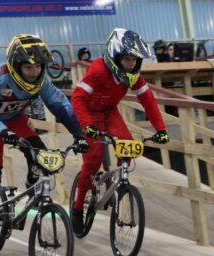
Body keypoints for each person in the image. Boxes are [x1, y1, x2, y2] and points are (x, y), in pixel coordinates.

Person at [0, 34, 88, 256]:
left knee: (40, 155)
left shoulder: (41, 81)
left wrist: (78, 134)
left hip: (17, 120)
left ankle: (31, 188)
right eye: (28, 67)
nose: (35, 72)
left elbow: (60, 105)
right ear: (15, 65)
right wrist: (2, 131)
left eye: (38, 67)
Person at [70, 28, 169, 235]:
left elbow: (148, 101)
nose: (131, 64)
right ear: (115, 57)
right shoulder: (99, 70)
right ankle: (78, 207)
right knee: (93, 160)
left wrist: (161, 129)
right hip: (90, 114)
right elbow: (77, 98)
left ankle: (119, 182)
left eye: (135, 60)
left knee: (128, 146)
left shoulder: (133, 76)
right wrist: (87, 125)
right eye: (127, 59)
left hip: (109, 112)